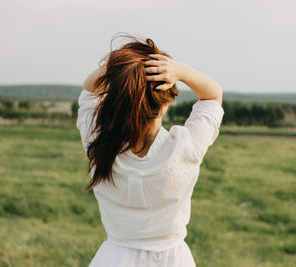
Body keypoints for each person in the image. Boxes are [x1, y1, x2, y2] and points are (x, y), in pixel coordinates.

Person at [76, 33, 224, 267]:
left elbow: (88, 91)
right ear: (166, 101)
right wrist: (181, 70)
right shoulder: (185, 147)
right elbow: (213, 96)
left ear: (117, 100)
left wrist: (121, 67)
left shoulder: (99, 144)